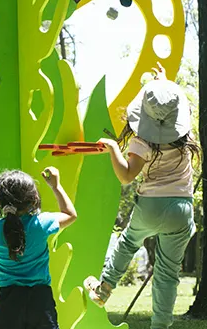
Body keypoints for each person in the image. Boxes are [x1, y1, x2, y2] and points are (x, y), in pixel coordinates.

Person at [84, 63, 199, 329]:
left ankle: (104, 288)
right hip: (182, 209)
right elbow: (173, 106)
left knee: (128, 243)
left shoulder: (142, 142)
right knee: (167, 274)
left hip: (151, 206)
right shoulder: (186, 137)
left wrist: (113, 148)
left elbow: (126, 176)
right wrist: (166, 84)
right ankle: (160, 326)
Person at [0, 167, 77, 329]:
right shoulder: (41, 224)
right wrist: (55, 186)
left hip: (9, 301)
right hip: (40, 299)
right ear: (34, 200)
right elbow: (70, 214)